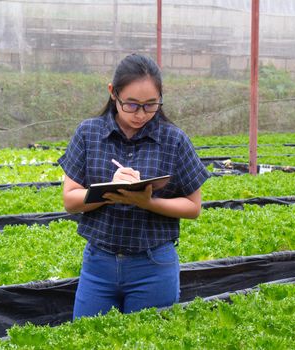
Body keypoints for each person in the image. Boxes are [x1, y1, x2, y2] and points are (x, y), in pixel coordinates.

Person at [58, 53, 210, 319]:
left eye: (150, 105)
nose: (141, 114)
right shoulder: (88, 133)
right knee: (89, 340)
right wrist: (110, 192)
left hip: (153, 265)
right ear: (112, 93)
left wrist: (146, 202)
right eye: (131, 104)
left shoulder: (174, 140)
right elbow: (70, 201)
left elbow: (193, 206)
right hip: (98, 264)